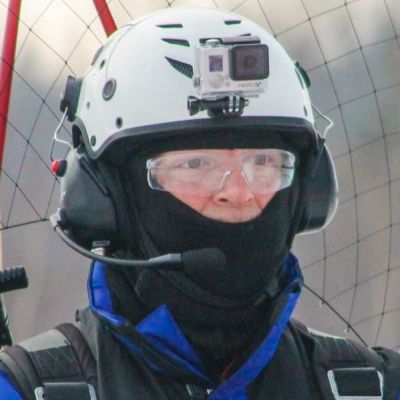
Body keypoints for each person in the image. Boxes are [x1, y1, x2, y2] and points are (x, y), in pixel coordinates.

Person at [0, 7, 399, 400]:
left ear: (308, 194)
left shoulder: (378, 387)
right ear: (106, 199)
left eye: (263, 162)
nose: (237, 192)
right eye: (196, 164)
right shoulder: (19, 389)